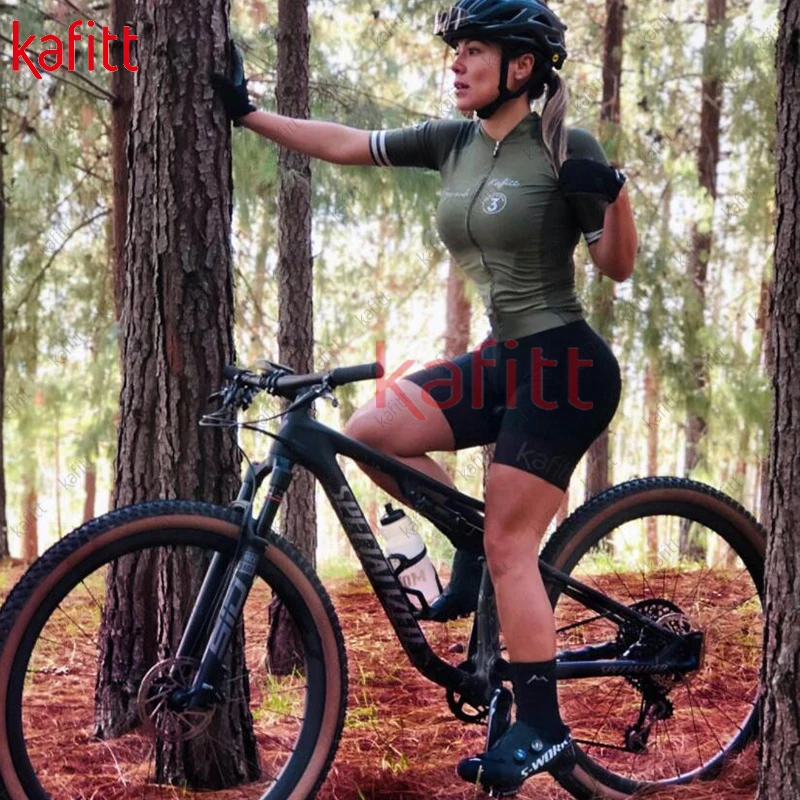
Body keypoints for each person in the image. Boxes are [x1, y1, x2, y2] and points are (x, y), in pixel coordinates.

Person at [212, 0, 637, 793]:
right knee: (372, 430)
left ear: (521, 66)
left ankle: (542, 726)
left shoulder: (563, 145)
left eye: (473, 50)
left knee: (513, 543)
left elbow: (616, 265)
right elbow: (345, 143)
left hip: (565, 364)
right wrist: (247, 114)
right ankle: (469, 542)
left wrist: (614, 195)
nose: (456, 63)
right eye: (456, 49)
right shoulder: (453, 142)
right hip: (502, 357)